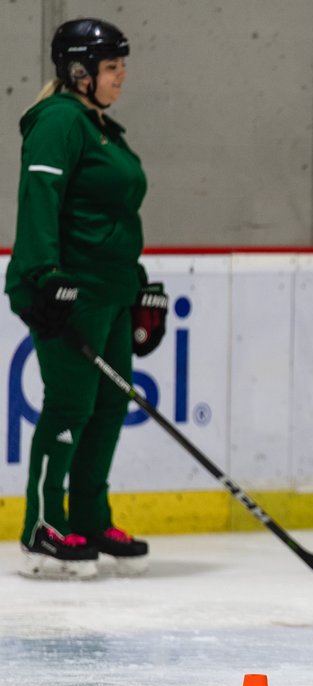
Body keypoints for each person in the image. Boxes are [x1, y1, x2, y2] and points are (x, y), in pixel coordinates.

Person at [6, 19, 167, 579]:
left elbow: (113, 219)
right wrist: (44, 274)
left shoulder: (101, 126)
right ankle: (44, 524)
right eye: (112, 67)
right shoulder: (58, 121)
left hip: (111, 291)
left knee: (109, 405)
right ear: (80, 72)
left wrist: (138, 282)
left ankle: (90, 517)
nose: (122, 77)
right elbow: (40, 198)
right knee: (71, 406)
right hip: (68, 292)